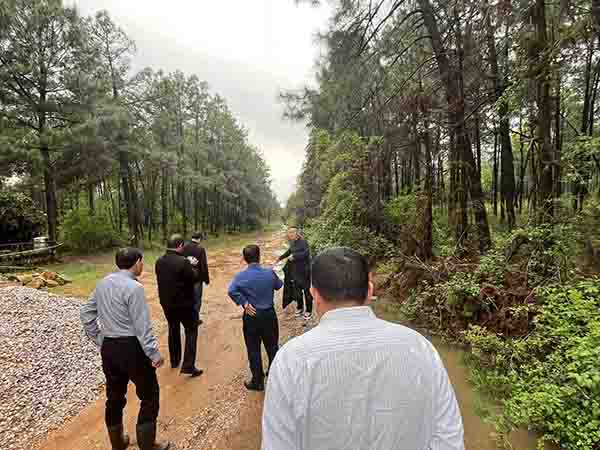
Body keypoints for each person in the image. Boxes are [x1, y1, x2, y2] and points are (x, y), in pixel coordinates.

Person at [262, 247, 465, 450]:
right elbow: (448, 437)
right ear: (370, 290)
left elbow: (277, 444)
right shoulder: (420, 347)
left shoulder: (291, 359)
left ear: (314, 293)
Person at [80, 248, 170, 450]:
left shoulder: (103, 282)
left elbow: (86, 312)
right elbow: (142, 326)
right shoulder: (134, 288)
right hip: (132, 347)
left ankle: (118, 443)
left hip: (109, 347)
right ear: (137, 262)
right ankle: (148, 446)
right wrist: (153, 353)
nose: (142, 265)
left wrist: (99, 338)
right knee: (149, 394)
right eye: (142, 262)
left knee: (114, 396)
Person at [228, 244, 283, 391]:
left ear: (244, 259)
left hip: (251, 316)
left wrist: (244, 303)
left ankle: (257, 381)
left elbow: (231, 291)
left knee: (253, 348)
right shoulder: (269, 273)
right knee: (272, 347)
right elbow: (279, 285)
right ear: (259, 257)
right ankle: (274, 376)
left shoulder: (240, 276)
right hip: (269, 315)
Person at [155, 234, 203, 377]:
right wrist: (193, 265)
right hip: (185, 305)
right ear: (180, 245)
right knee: (191, 331)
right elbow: (193, 278)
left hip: (167, 304)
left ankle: (175, 361)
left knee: (173, 329)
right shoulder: (184, 262)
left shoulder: (159, 261)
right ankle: (188, 366)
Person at [276, 227, 312, 320]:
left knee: (307, 291)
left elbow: (306, 253)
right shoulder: (292, 242)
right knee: (297, 291)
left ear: (297, 233)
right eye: (289, 233)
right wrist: (280, 257)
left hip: (304, 271)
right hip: (295, 271)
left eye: (292, 232)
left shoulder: (303, 242)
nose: (290, 234)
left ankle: (309, 310)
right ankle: (300, 308)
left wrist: (295, 256)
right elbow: (289, 251)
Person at [182, 231, 210, 322]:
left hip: (185, 278)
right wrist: (206, 279)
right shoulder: (200, 249)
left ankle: (187, 318)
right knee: (197, 299)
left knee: (187, 298)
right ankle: (195, 319)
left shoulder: (184, 247)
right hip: (197, 279)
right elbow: (203, 265)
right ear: (200, 239)